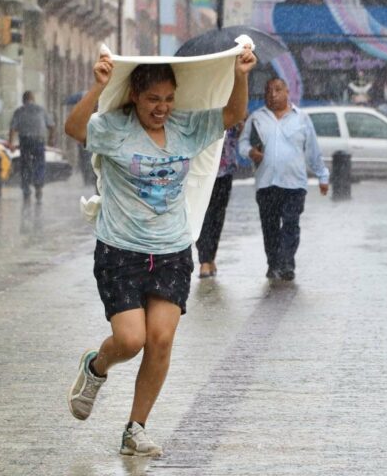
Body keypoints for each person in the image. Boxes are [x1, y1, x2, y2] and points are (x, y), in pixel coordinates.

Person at [63, 46, 256, 456]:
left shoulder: (186, 127)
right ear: (135, 95)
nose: (162, 107)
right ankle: (96, 367)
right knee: (131, 340)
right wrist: (97, 86)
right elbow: (74, 129)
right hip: (121, 250)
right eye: (154, 99)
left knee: (161, 340)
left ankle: (136, 428)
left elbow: (232, 114)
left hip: (171, 251)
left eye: (168, 99)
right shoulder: (114, 128)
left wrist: (240, 74)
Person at [238, 77, 329, 281]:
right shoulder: (256, 118)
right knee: (269, 227)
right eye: (268, 90)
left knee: (290, 224)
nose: (273, 94)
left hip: (294, 184)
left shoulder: (302, 119)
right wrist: (251, 152)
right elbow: (242, 145)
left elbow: (313, 151)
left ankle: (287, 264)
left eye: (278, 89)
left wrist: (323, 175)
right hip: (266, 184)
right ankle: (273, 264)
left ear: (288, 92)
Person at [195, 122, 243, 278]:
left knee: (217, 217)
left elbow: (239, 137)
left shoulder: (233, 116)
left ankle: (210, 256)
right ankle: (204, 260)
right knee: (203, 216)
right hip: (203, 173)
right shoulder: (202, 115)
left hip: (225, 172)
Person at [8, 90, 55, 202]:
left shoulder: (19, 111)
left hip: (25, 141)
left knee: (25, 165)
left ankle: (26, 190)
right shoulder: (41, 110)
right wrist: (51, 139)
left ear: (23, 100)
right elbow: (51, 126)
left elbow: (13, 129)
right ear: (33, 99)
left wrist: (11, 143)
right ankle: (38, 185)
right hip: (39, 140)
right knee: (39, 163)